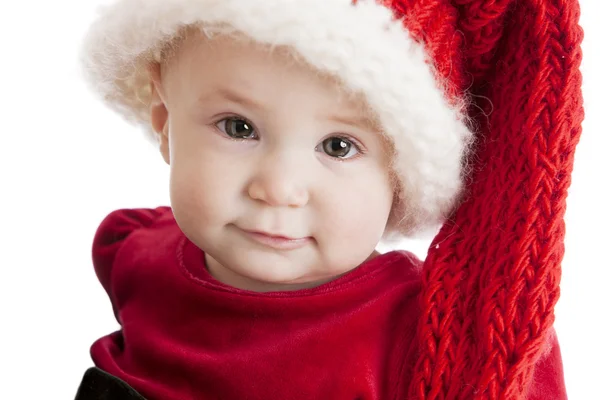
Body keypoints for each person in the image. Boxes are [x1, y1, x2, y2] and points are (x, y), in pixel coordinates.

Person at [75, 0, 584, 399]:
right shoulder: (135, 253)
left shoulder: (423, 340)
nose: (279, 187)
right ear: (165, 125)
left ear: (401, 176)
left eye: (338, 146)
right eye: (238, 127)